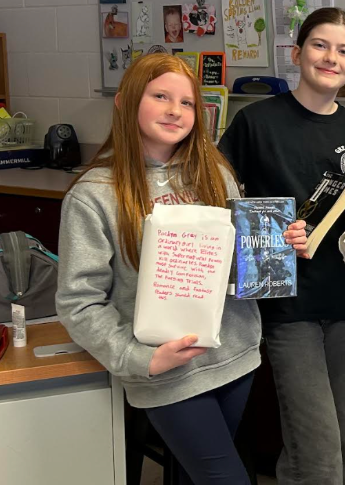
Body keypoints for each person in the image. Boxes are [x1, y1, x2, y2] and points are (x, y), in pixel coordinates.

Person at [56, 53, 305, 484]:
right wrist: (139, 359)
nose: (175, 111)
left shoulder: (215, 173)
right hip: (165, 370)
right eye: (160, 96)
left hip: (234, 356)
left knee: (193, 477)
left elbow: (235, 265)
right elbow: (79, 302)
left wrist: (275, 247)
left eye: (187, 103)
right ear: (125, 102)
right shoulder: (95, 195)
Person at [220, 7, 345, 485]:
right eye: (320, 45)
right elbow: (217, 206)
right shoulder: (254, 124)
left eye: (344, 51)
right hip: (286, 304)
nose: (331, 58)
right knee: (315, 451)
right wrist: (268, 235)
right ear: (297, 53)